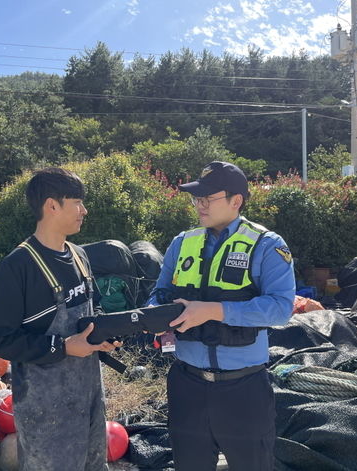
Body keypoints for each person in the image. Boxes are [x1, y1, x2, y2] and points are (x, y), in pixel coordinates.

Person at [148, 161, 295, 471]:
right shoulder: (181, 243)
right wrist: (156, 320)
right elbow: (158, 294)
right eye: (196, 198)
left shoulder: (267, 245)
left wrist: (214, 311)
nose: (199, 205)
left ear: (236, 200)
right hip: (187, 384)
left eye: (207, 198)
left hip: (243, 389)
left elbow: (281, 308)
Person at [0, 167, 120, 471]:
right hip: (44, 409)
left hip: (88, 395)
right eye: (77, 202)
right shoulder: (18, 267)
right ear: (52, 206)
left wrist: (104, 333)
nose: (84, 210)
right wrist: (62, 347)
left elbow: (90, 312)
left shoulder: (79, 256)